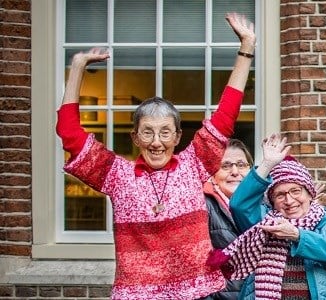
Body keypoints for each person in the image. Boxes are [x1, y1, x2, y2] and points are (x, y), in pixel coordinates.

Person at [53, 13, 254, 299]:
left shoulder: (193, 164)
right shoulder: (117, 175)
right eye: (147, 133)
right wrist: (76, 68)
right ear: (135, 137)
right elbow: (69, 132)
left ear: (177, 137)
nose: (156, 142)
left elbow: (227, 113)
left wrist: (246, 48)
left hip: (197, 293)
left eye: (164, 133)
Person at [212, 134, 326, 299]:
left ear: (310, 194)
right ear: (272, 202)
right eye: (280, 195)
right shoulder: (265, 222)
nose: (289, 200)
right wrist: (267, 164)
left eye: (296, 191)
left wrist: (297, 235)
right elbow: (239, 205)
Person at [205, 138, 253, 297]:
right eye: (225, 166)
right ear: (212, 174)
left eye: (241, 165)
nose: (234, 171)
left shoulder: (268, 204)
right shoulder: (203, 206)